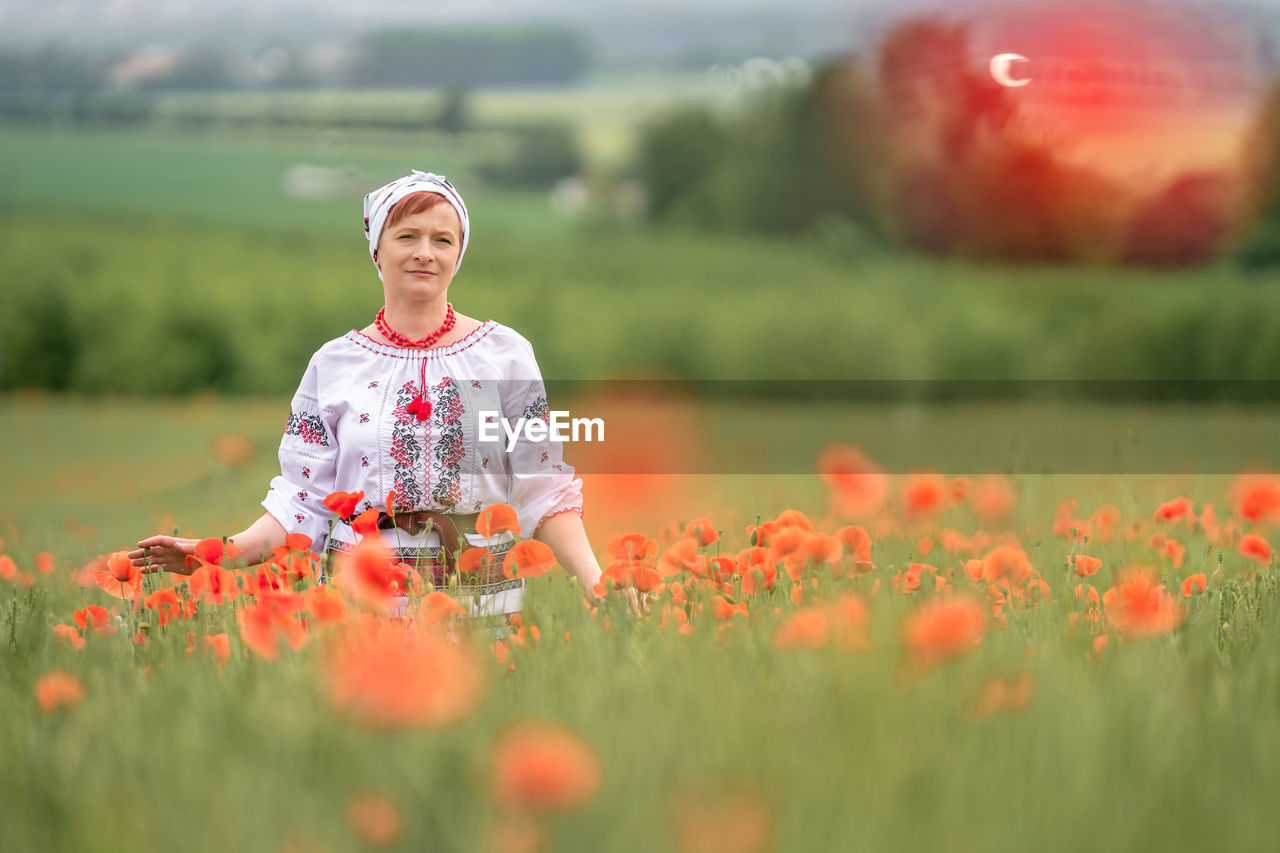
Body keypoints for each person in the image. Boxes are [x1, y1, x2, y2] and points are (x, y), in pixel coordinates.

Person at [129, 170, 607, 626]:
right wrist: (215, 556)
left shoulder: (505, 357)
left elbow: (543, 489)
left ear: (459, 254)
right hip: (359, 599)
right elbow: (304, 500)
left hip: (480, 595)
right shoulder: (334, 365)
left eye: (443, 240)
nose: (425, 252)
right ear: (377, 248)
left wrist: (595, 579)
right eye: (407, 236)